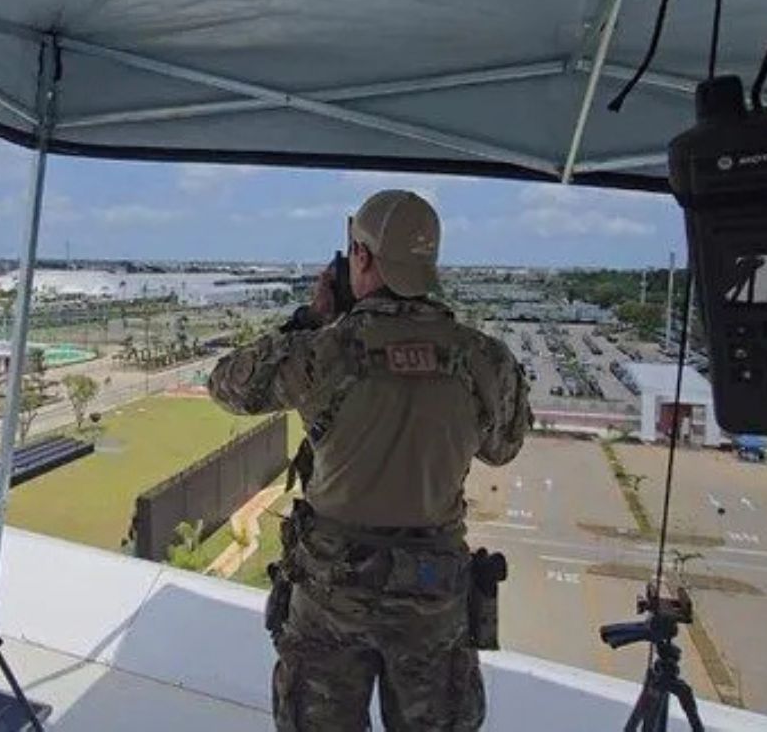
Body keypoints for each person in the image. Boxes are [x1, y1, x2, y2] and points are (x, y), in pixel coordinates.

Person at [208, 190, 531, 731]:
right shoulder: (484, 359)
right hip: (432, 596)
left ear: (360, 258)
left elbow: (227, 386)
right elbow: (504, 447)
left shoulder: (323, 352)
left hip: (332, 595)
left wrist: (311, 320)